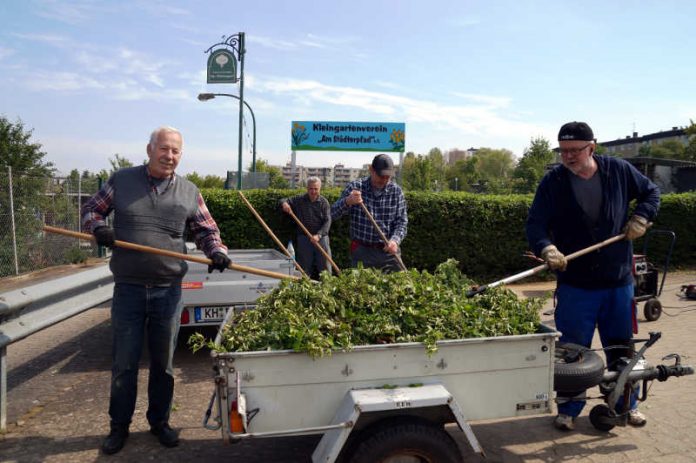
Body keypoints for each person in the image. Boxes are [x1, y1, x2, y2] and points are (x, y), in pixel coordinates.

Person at [81, 126, 231, 454]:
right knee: (124, 362)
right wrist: (99, 227)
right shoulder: (121, 181)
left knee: (163, 364)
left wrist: (216, 251)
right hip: (129, 289)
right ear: (149, 149)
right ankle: (119, 426)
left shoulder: (189, 191)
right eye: (164, 149)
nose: (170, 156)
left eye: (176, 151)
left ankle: (159, 422)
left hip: (168, 292)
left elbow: (207, 229)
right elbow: (91, 210)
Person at [526, 121, 660, 431]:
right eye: (563, 151)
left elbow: (651, 193)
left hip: (618, 282)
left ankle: (627, 404)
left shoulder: (619, 170)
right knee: (572, 351)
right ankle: (569, 409)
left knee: (621, 347)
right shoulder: (553, 182)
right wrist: (547, 248)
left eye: (575, 150)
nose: (568, 157)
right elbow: (535, 224)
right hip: (576, 285)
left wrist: (641, 217)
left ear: (592, 147)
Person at [331, 153, 407, 272]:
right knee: (361, 288)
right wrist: (347, 202)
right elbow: (332, 214)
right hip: (362, 252)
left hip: (389, 252)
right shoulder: (356, 187)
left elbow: (402, 222)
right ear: (371, 170)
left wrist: (395, 240)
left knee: (402, 286)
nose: (384, 180)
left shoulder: (396, 192)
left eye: (388, 177)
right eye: (381, 176)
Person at [280, 177, 332, 279]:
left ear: (320, 189)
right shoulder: (299, 200)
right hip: (304, 238)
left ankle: (327, 287)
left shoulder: (324, 202)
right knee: (304, 267)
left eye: (316, 189)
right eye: (311, 188)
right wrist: (284, 204)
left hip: (321, 238)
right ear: (307, 188)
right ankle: (305, 288)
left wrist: (319, 235)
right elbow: (283, 200)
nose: (313, 191)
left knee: (325, 266)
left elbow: (328, 221)